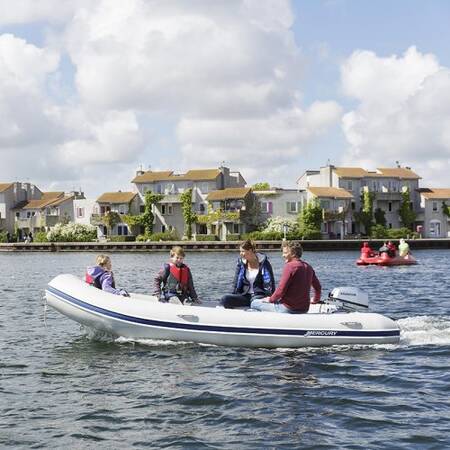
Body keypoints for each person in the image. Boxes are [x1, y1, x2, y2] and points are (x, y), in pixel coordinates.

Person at [251, 240, 321, 314]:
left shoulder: (290, 266)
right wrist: (315, 300)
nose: (283, 255)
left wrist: (270, 300)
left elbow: (281, 290)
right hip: (304, 309)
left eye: (285, 253)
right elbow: (318, 287)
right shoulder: (308, 267)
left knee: (254, 302)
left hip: (288, 309)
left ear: (293, 253)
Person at [220, 239, 275, 309]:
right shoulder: (241, 263)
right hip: (244, 295)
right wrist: (233, 295)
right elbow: (236, 282)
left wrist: (271, 298)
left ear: (250, 250)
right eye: (240, 251)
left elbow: (271, 282)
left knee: (254, 302)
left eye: (243, 251)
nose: (241, 253)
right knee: (225, 299)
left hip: (259, 295)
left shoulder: (264, 263)